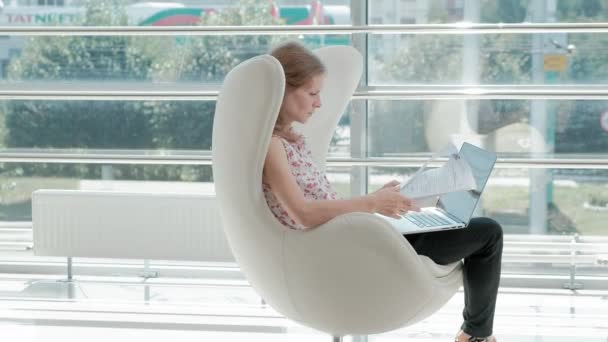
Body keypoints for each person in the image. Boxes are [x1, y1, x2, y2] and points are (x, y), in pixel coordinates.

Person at [262, 41, 502, 342]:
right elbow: (303, 213)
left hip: (359, 234)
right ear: (283, 91)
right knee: (488, 234)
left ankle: (476, 333)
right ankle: (476, 335)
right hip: (351, 246)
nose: (319, 103)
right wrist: (373, 203)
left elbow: (319, 205)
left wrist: (378, 199)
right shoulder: (272, 146)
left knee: (465, 225)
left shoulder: (292, 141)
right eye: (312, 93)